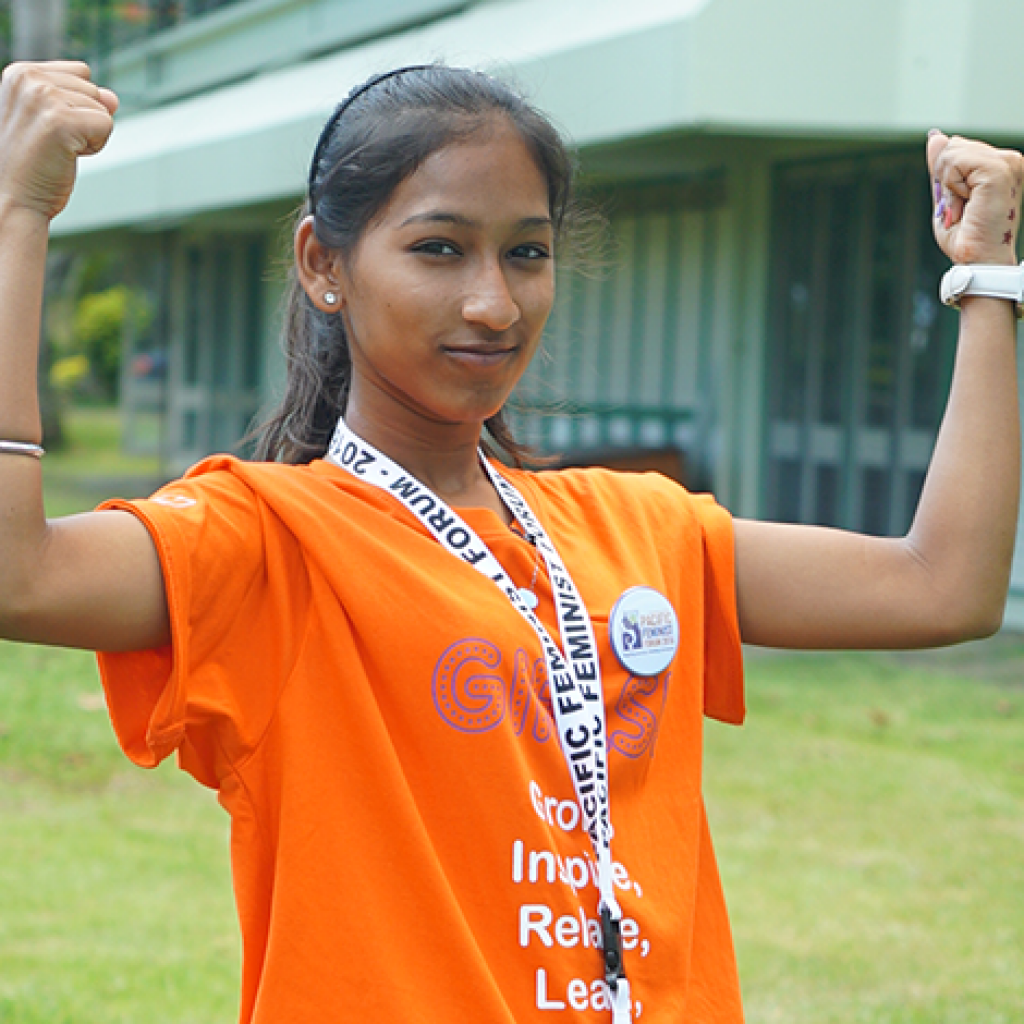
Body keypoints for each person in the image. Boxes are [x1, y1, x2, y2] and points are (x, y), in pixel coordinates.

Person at [0, 60, 1021, 1024]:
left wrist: (985, 285)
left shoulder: (639, 524)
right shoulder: (265, 541)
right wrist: (19, 215)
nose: (493, 302)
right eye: (438, 248)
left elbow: (943, 587)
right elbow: (20, 574)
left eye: (525, 252)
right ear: (324, 264)